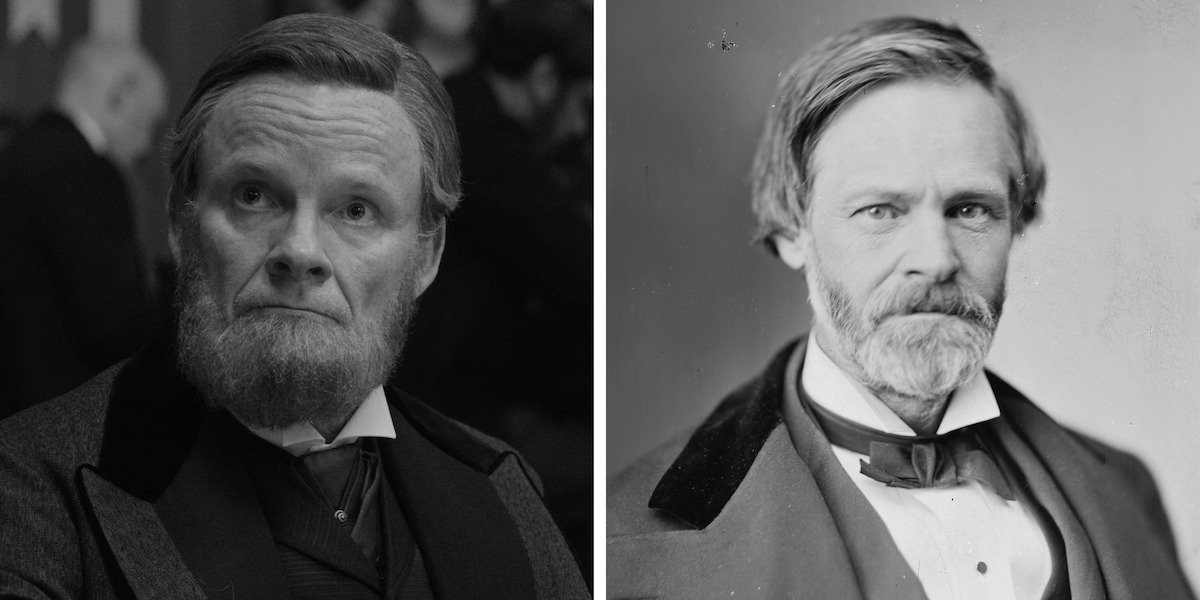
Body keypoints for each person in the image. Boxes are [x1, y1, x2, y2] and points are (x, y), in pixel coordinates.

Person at [0, 14, 589, 599]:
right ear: (181, 223)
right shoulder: (31, 489)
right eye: (254, 196)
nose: (300, 251)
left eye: (356, 210)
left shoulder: (502, 488)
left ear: (426, 256)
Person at [607, 17, 1195, 600]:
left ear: (1016, 223)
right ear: (790, 230)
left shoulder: (1126, 490)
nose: (936, 260)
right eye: (881, 211)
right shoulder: (625, 536)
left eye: (970, 209)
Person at [0, 38, 167, 418]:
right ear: (121, 93)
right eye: (149, 122)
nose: (145, 146)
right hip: (55, 418)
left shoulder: (18, 155)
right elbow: (114, 323)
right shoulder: (82, 170)